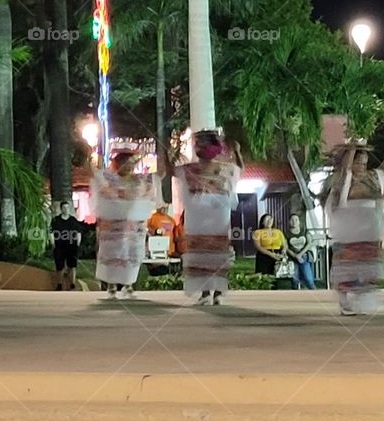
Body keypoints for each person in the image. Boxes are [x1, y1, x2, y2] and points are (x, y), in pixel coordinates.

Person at [328, 136, 384, 316]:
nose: (361, 165)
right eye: (357, 161)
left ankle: (361, 300)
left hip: (367, 229)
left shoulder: (373, 177)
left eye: (364, 162)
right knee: (346, 269)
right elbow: (346, 171)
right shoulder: (343, 179)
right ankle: (344, 301)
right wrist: (352, 149)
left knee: (367, 270)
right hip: (348, 228)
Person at [170, 129, 243, 305]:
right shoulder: (192, 169)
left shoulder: (223, 169)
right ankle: (207, 293)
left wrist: (238, 153)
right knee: (202, 254)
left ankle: (215, 293)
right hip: (200, 218)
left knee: (215, 254)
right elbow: (173, 171)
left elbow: (238, 170)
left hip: (215, 216)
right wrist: (169, 156)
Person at [92, 151, 159, 299]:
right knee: (113, 255)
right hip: (114, 228)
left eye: (130, 164)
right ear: (116, 165)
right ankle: (111, 286)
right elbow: (95, 175)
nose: (128, 167)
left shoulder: (139, 180)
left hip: (133, 228)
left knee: (132, 256)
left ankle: (128, 286)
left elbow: (159, 176)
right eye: (124, 163)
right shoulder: (109, 179)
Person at [49, 201, 82, 290]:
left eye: (67, 208)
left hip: (72, 246)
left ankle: (72, 284)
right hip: (59, 246)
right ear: (61, 209)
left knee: (72, 266)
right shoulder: (56, 220)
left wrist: (77, 244)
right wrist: (53, 243)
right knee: (59, 266)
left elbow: (79, 233)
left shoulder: (73, 220)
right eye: (64, 208)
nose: (66, 209)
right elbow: (51, 232)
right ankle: (59, 284)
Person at [286, 213, 316, 290]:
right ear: (289, 222)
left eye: (296, 219)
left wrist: (300, 254)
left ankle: (316, 295)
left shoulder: (304, 230)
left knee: (309, 279)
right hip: (292, 259)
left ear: (299, 222)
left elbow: (309, 243)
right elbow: (286, 247)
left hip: (304, 257)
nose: (294, 221)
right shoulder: (286, 233)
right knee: (294, 281)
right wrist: (294, 255)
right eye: (292, 220)